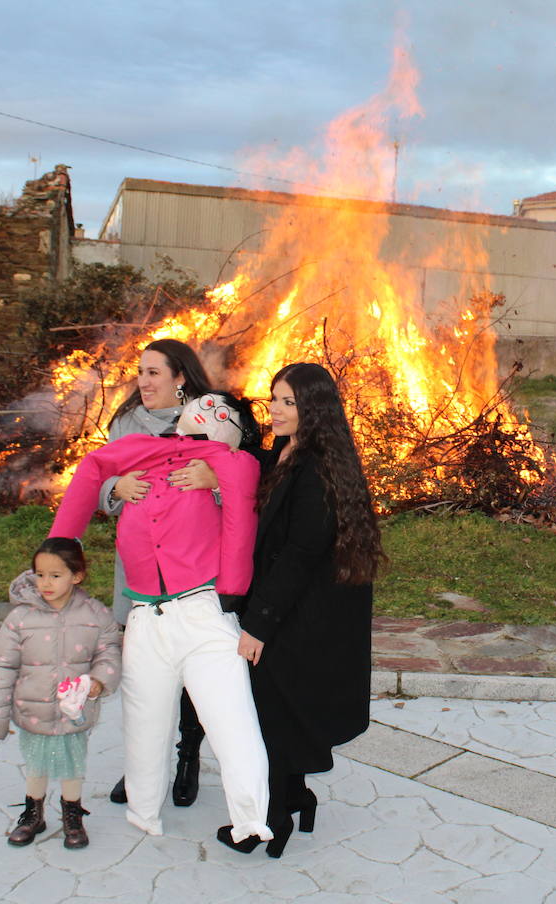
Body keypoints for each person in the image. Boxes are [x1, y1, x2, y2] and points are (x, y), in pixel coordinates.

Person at [50, 392, 272, 845]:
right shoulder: (144, 449)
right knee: (144, 719)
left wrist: (215, 474)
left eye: (220, 412)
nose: (206, 413)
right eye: (201, 406)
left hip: (204, 611)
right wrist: (61, 546)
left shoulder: (235, 462)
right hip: (145, 615)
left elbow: (246, 490)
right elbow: (94, 467)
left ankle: (250, 819)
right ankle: (144, 810)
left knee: (232, 721)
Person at [221, 362, 385, 859]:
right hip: (294, 608)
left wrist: (258, 624)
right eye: (274, 399)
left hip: (300, 615)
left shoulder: (315, 466)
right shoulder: (287, 451)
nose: (275, 410)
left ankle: (269, 822)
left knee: (269, 714)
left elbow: (299, 553)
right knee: (278, 712)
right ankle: (296, 798)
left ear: (314, 409)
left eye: (288, 402)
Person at [101, 339, 215, 809]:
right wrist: (116, 486)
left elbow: (244, 483)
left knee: (192, 672)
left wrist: (214, 481)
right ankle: (142, 768)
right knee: (143, 676)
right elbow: (96, 478)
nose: (144, 382)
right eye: (141, 372)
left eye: (154, 373)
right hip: (142, 570)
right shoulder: (124, 424)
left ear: (180, 377)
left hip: (193, 570)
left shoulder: (214, 419)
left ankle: (188, 755)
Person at [0, 537, 122, 849]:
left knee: (72, 764)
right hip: (34, 709)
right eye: (39, 574)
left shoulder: (95, 614)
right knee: (37, 764)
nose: (45, 583)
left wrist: (98, 681)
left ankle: (73, 815)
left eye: (55, 576)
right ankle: (33, 814)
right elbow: (0, 666)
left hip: (75, 710)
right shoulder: (20, 618)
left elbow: (109, 651)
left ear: (77, 575)